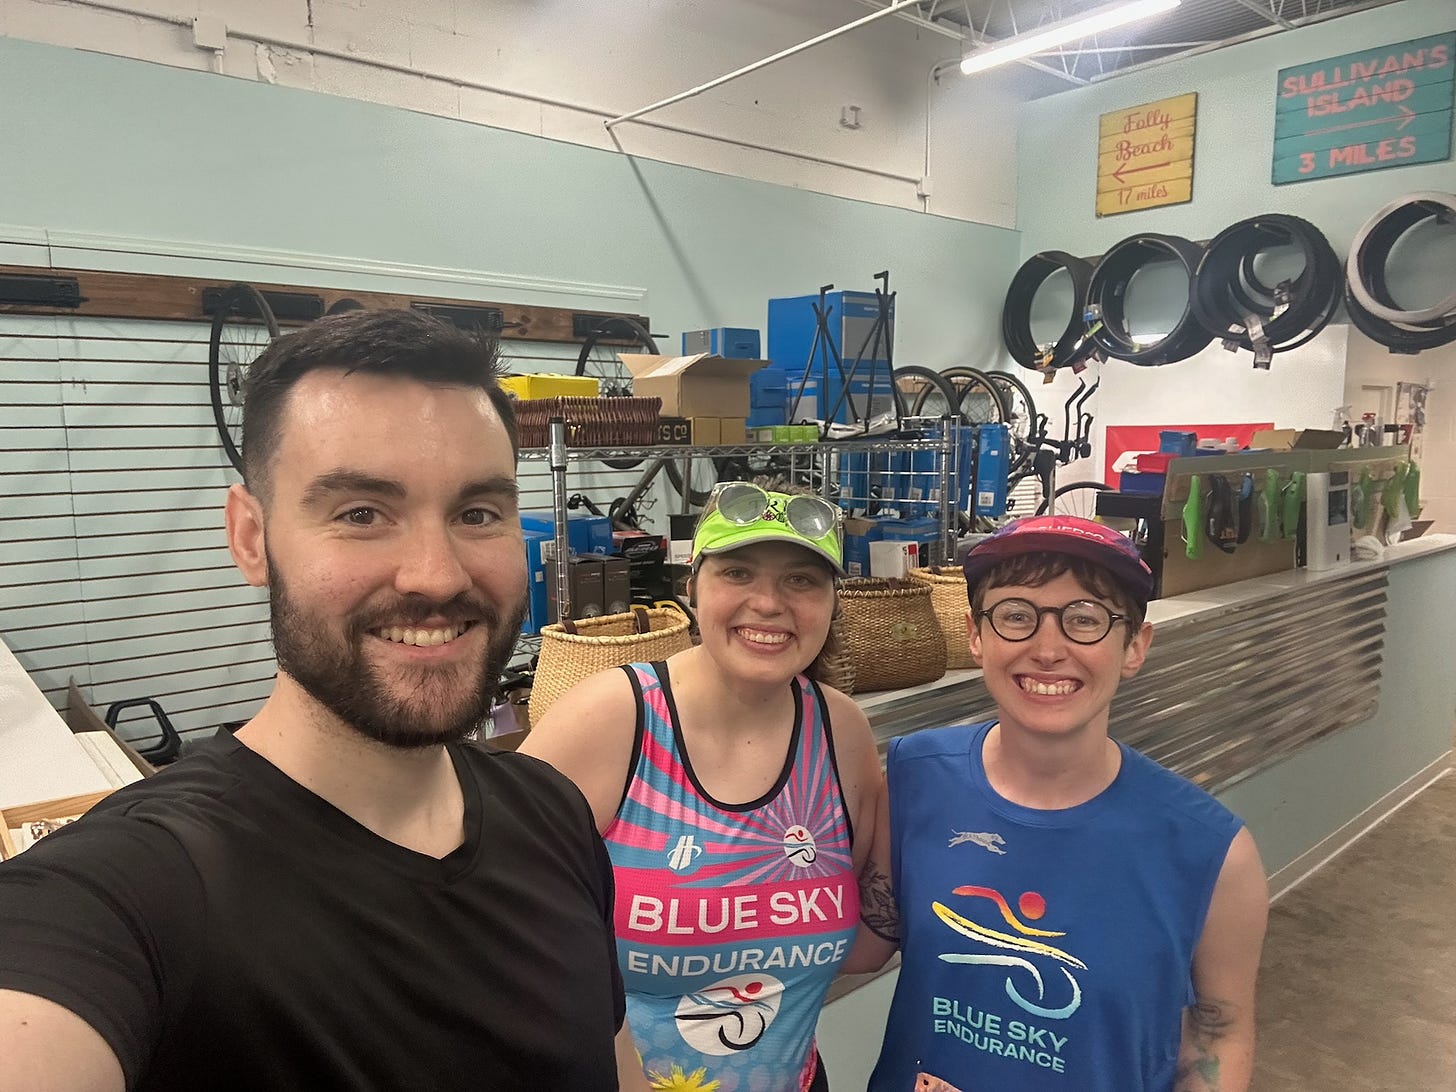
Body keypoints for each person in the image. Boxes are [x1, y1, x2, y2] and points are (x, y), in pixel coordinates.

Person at [0, 309, 635, 1091]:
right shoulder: (129, 891)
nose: (436, 576)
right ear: (249, 537)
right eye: (361, 514)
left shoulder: (552, 812)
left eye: (477, 513)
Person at [862, 515, 1269, 1092]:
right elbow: (858, 945)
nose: (1047, 649)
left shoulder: (1211, 852)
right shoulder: (914, 777)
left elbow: (1219, 1036)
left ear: (1135, 646)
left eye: (1085, 620)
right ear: (977, 637)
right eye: (1016, 616)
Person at [521, 481, 885, 1092]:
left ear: (831, 603)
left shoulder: (838, 729)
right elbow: (497, 929)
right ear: (691, 589)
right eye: (738, 572)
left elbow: (867, 944)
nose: (768, 603)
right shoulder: (615, 718)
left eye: (802, 580)